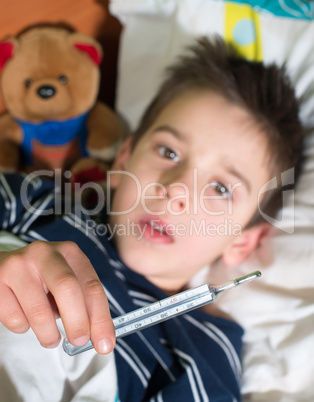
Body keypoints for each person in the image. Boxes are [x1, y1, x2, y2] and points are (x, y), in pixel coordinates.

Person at [0, 36, 304, 401]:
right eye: (168, 151)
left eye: (221, 188)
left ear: (243, 240)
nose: (176, 190)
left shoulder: (205, 352)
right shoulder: (42, 202)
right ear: (124, 158)